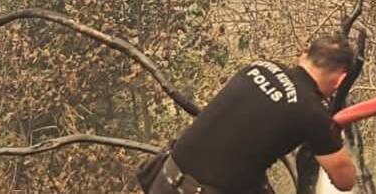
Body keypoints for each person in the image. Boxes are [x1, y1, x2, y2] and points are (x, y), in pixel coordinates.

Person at [142, 33, 358, 194]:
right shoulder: (312, 112)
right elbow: (344, 180)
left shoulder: (257, 68)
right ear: (340, 79)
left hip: (164, 179)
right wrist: (332, 140)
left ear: (304, 55)